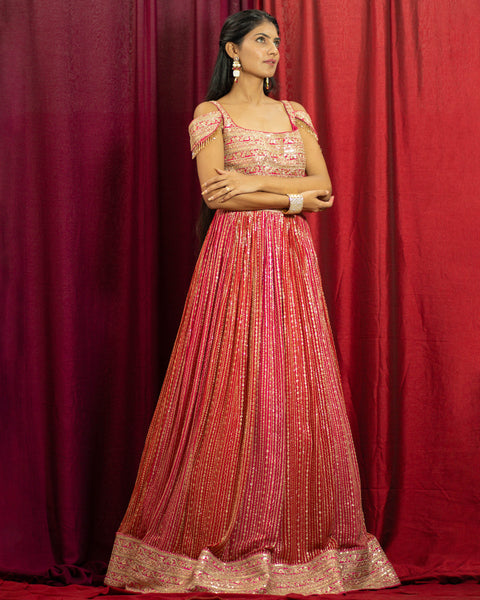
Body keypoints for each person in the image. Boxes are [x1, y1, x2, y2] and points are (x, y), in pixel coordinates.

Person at [105, 9, 400, 594]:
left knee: (294, 382)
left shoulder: (294, 115)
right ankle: (230, 526)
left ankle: (294, 530)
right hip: (233, 263)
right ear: (232, 50)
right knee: (232, 383)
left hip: (290, 263)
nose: (274, 50)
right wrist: (284, 197)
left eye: (278, 41)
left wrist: (258, 188)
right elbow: (217, 197)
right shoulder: (209, 115)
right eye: (262, 40)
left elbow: (325, 187)